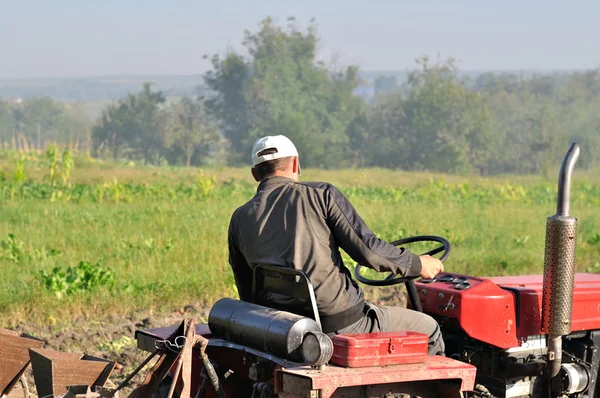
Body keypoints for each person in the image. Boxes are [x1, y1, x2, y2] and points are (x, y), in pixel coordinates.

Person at [227, 135, 445, 355]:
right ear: (296, 163)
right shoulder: (321, 195)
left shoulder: (239, 218)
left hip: (285, 330)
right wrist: (417, 264)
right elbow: (368, 251)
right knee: (430, 329)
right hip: (342, 326)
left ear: (255, 174)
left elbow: (247, 289)